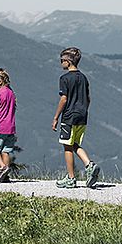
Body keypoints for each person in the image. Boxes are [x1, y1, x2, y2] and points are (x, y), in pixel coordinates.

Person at [52, 47, 100, 189]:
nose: (61, 63)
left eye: (62, 61)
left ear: (68, 61)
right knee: (74, 144)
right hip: (82, 115)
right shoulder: (83, 78)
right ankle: (89, 165)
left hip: (69, 116)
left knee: (67, 146)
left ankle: (71, 178)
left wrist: (56, 117)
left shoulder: (65, 78)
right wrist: (83, 110)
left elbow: (64, 99)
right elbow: (88, 98)